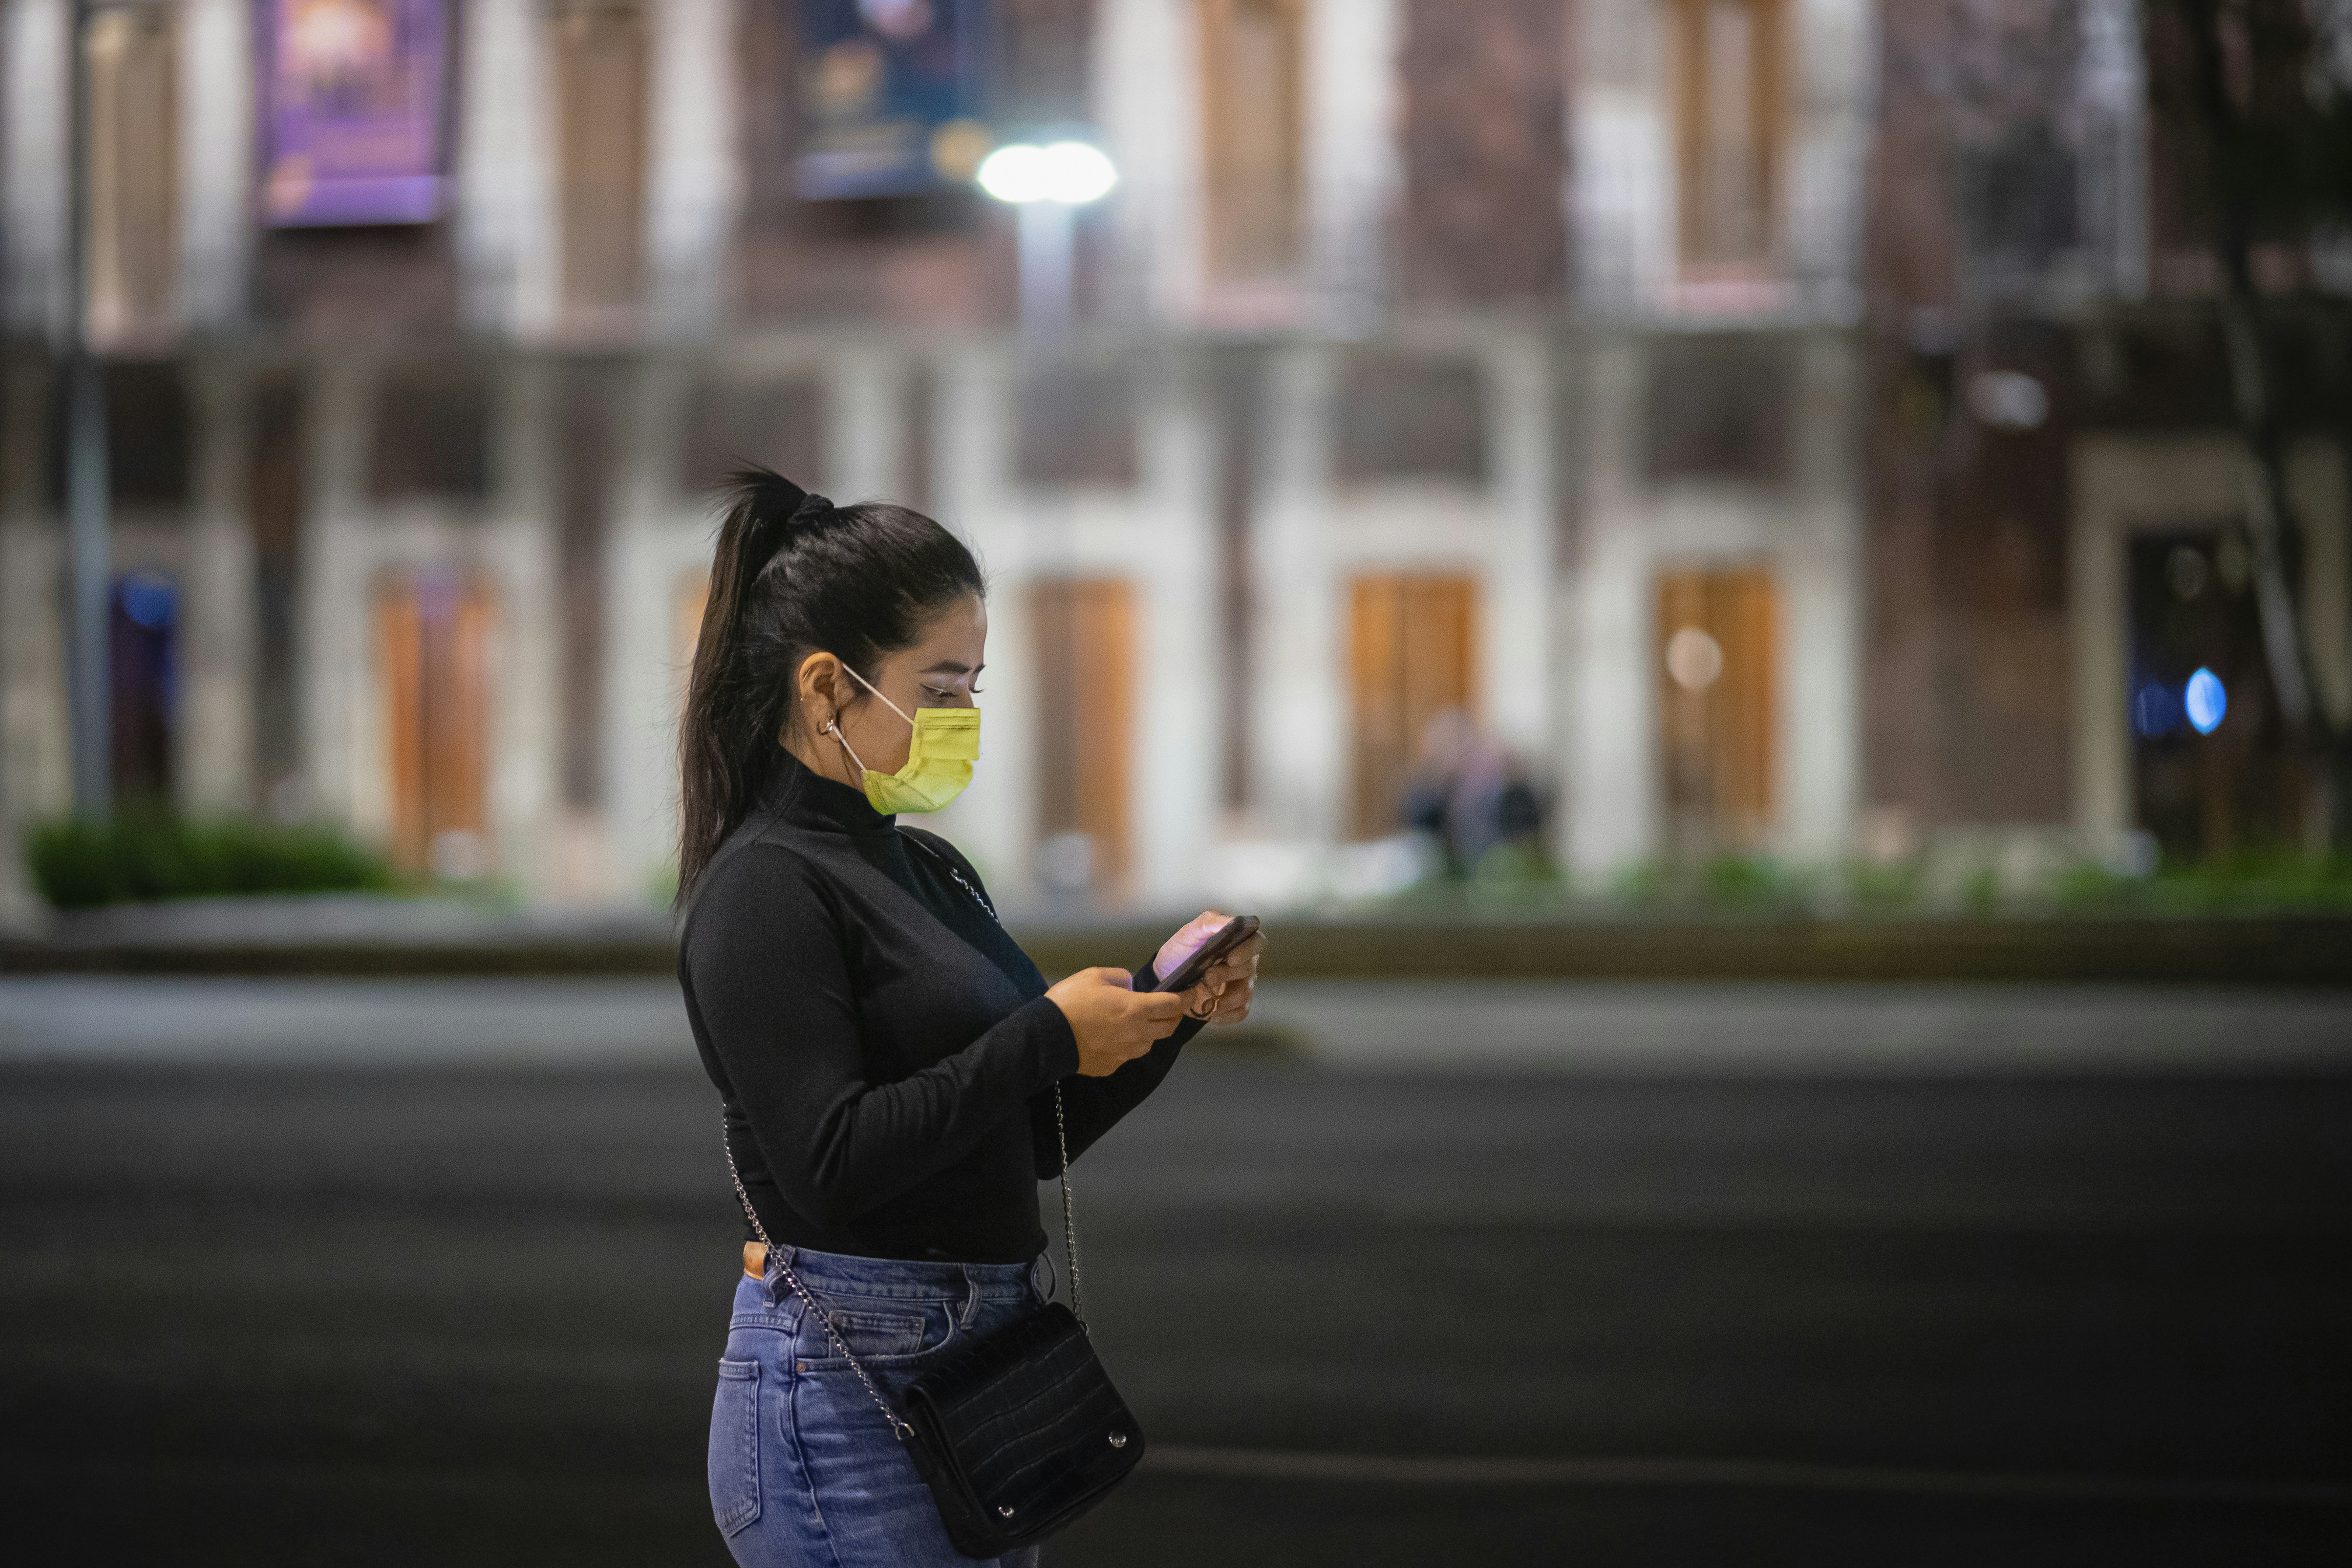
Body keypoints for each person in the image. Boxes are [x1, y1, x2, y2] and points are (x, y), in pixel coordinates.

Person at [675, 469, 1265, 1568]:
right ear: (826, 689)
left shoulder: (926, 865)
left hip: (979, 1362)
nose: (962, 718)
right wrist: (1045, 1031)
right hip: (847, 1387)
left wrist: (1162, 1008)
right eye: (938, 686)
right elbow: (833, 1163)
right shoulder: (763, 889)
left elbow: (1027, 1135)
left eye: (974, 685)